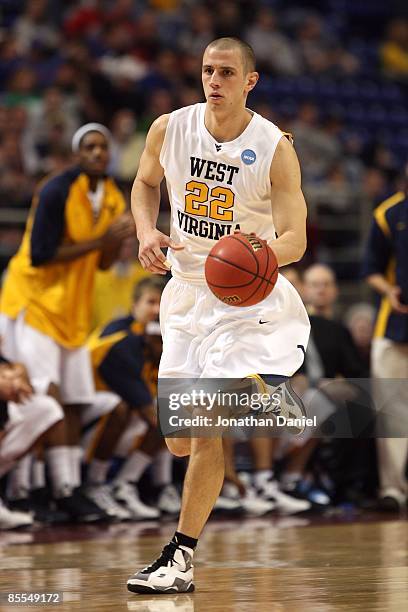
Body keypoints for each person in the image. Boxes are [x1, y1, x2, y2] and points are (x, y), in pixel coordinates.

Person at [127, 37, 310, 595]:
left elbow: (297, 239)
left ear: (249, 81)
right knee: (179, 439)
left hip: (242, 300)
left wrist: (261, 253)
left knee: (205, 422)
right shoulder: (169, 128)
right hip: (183, 296)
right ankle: (259, 392)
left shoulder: (273, 146)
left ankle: (179, 557)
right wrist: (145, 230)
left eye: (227, 72)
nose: (215, 80)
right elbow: (144, 185)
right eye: (208, 70)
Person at [0, 123, 135, 522]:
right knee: (46, 396)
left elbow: (106, 264)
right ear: (77, 154)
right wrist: (101, 240)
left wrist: (113, 242)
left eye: (103, 147)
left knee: (75, 401)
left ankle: (69, 486)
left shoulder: (112, 197)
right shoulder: (56, 189)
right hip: (34, 302)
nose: (97, 153)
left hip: (73, 309)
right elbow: (41, 253)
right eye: (89, 147)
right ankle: (37, 488)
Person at [362, 184, 408, 511]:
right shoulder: (389, 213)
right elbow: (371, 269)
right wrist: (389, 291)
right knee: (392, 414)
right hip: (395, 327)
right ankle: (393, 489)